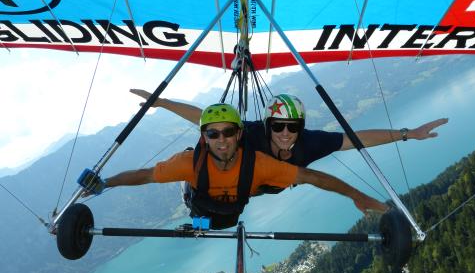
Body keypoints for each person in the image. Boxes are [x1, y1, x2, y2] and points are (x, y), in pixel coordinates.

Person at [81, 103, 387, 229]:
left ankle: (204, 224)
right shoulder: (190, 162)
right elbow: (145, 175)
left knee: (225, 222)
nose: (222, 139)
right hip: (200, 201)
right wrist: (106, 183)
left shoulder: (259, 164)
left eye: (229, 132)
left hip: (234, 206)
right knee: (203, 223)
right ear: (204, 137)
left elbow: (312, 176)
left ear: (239, 135)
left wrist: (355, 195)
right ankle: (196, 225)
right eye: (213, 134)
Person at [130, 89, 448, 190]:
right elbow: (204, 117)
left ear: (300, 127)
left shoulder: (308, 143)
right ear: (268, 125)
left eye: (292, 126)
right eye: (278, 126)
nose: (285, 133)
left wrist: (408, 134)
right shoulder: (250, 134)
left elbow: (356, 139)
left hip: (268, 185)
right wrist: (162, 103)